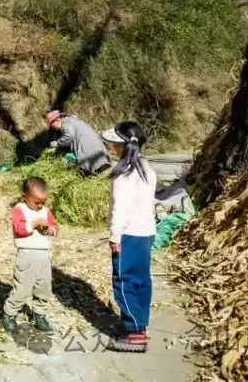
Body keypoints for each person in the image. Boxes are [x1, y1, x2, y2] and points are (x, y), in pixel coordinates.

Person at [101, 121, 157, 353]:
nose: (111, 147)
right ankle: (138, 324)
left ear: (121, 145)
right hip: (145, 232)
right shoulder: (146, 168)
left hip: (129, 234)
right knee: (141, 280)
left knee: (124, 281)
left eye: (113, 144)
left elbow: (120, 209)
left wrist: (115, 235)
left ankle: (134, 332)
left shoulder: (124, 173)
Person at [1, 176, 60, 334]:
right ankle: (9, 314)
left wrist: (50, 230)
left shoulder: (45, 211)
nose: (40, 205)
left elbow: (55, 227)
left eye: (43, 202)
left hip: (44, 257)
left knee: (44, 288)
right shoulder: (20, 209)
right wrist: (33, 224)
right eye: (36, 202)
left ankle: (39, 315)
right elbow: (20, 230)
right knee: (22, 288)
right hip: (26, 256)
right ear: (25, 197)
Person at [47, 110, 111, 175]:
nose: (52, 127)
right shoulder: (75, 121)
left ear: (57, 120)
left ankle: (90, 171)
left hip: (90, 154)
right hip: (101, 151)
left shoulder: (66, 123)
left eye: (51, 125)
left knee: (69, 162)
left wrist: (58, 143)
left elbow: (69, 135)